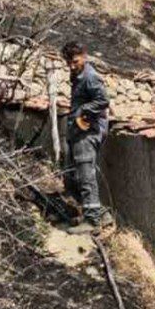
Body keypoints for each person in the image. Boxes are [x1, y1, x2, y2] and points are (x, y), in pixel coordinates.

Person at [61, 41, 111, 234]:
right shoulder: (77, 75)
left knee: (85, 174)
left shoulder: (90, 77)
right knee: (77, 174)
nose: (72, 66)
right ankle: (100, 214)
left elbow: (103, 100)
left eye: (75, 61)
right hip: (79, 131)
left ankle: (92, 221)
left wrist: (83, 110)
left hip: (88, 132)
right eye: (69, 63)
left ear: (84, 56)